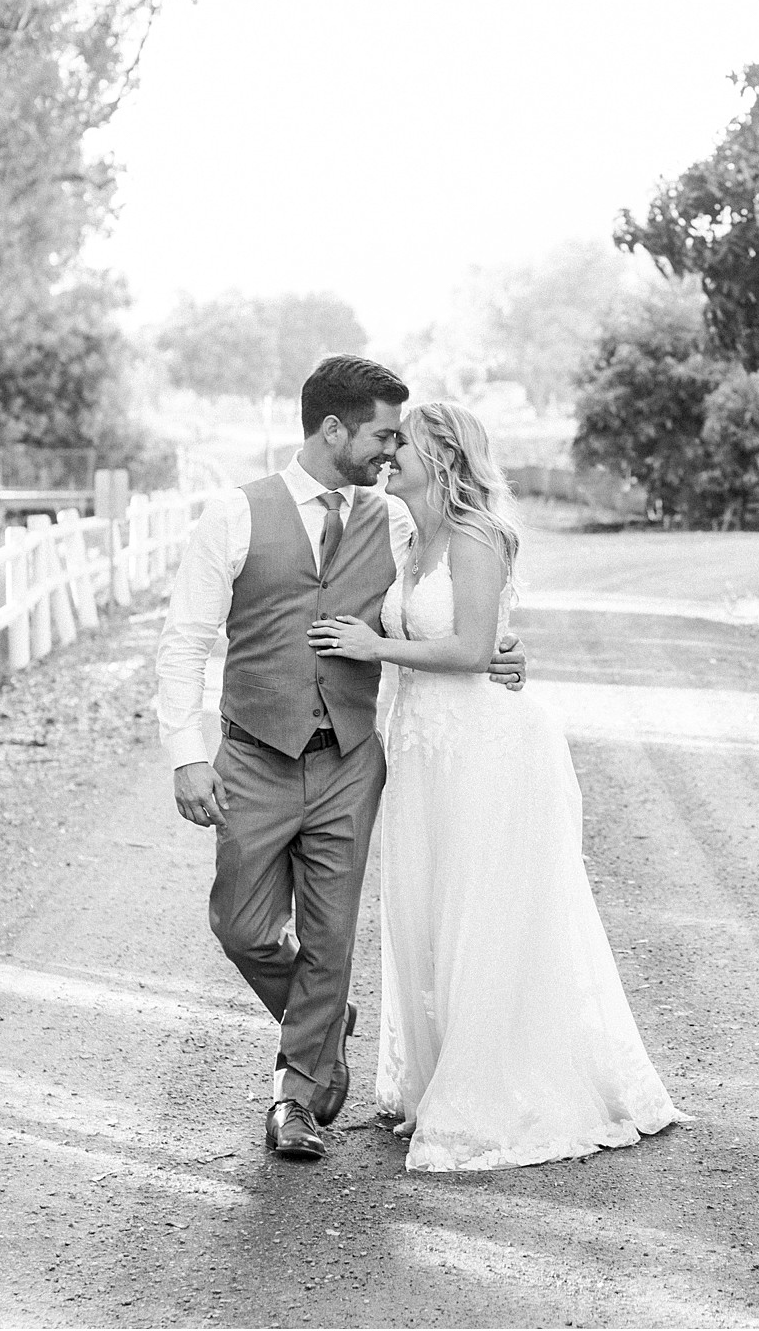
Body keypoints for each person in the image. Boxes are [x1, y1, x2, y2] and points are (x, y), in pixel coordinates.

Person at [156, 358, 527, 1160]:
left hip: (350, 759)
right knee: (243, 926)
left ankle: (297, 1099)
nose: (391, 452)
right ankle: (324, 1022)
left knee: (329, 937)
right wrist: (188, 756)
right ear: (334, 430)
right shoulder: (235, 514)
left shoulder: (394, 521)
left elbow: (451, 595)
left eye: (400, 439)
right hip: (253, 755)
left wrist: (498, 648)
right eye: (381, 435)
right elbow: (184, 642)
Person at [308, 401, 680, 1172]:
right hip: (420, 751)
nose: (387, 454)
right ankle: (441, 1074)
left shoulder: (477, 536)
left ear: (440, 456)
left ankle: (495, 1091)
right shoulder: (406, 535)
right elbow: (471, 639)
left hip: (483, 748)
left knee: (485, 914)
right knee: (430, 910)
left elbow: (475, 646)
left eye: (399, 443)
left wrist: (374, 643)